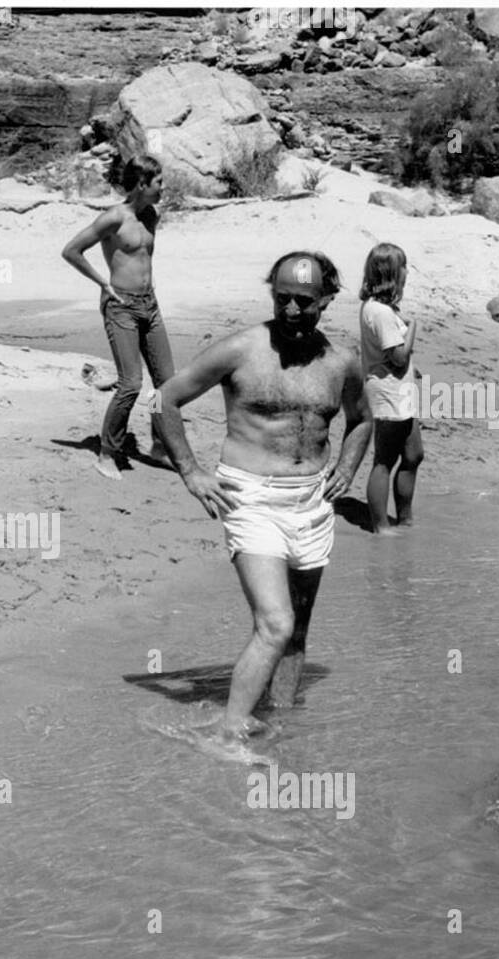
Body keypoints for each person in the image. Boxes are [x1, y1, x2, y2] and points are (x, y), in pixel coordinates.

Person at [156, 251, 372, 739]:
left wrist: (346, 469)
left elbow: (362, 420)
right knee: (275, 623)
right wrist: (191, 471)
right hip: (250, 498)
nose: (292, 311)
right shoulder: (240, 350)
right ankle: (229, 734)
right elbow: (166, 398)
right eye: (282, 300)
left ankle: (282, 725)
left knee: (296, 631)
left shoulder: (341, 363)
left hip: (313, 502)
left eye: (304, 301)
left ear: (326, 300)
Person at [61, 155, 174, 480]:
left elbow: (141, 259)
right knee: (131, 383)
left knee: (163, 383)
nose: (162, 188)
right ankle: (107, 453)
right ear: (142, 184)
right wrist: (102, 282)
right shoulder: (113, 218)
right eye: (158, 183)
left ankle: (158, 443)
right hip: (120, 306)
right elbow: (71, 251)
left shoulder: (151, 215)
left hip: (149, 306)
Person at [358, 242, 424, 534]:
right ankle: (381, 525)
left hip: (399, 390)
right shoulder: (381, 313)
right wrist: (412, 330)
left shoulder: (384, 309)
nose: (408, 272)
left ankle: (406, 519)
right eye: (405, 266)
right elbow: (397, 358)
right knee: (384, 459)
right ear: (393, 274)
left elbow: (392, 357)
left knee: (413, 455)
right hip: (387, 393)